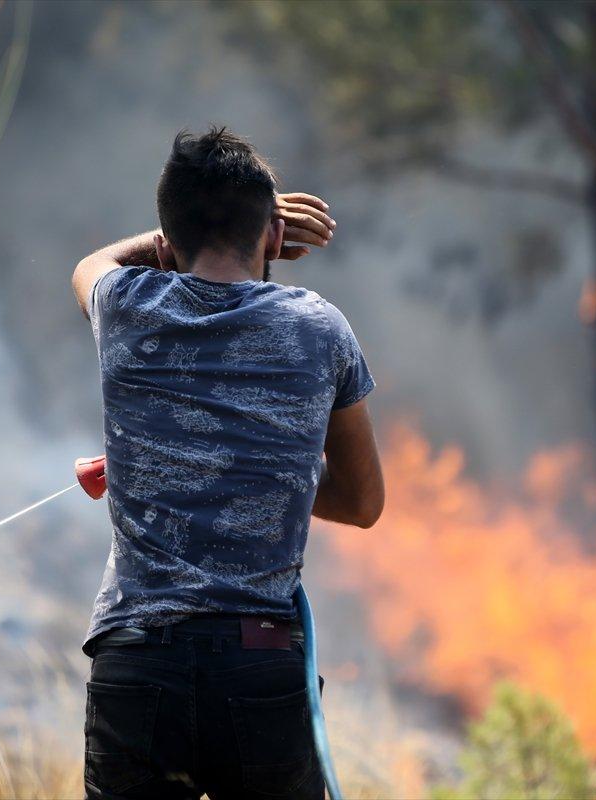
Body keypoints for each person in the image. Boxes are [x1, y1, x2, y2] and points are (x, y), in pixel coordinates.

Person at [70, 126, 384, 799]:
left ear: (164, 241)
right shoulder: (319, 327)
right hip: (259, 672)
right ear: (274, 235)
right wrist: (261, 468)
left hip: (137, 661)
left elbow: (90, 264)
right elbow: (363, 502)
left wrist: (164, 239)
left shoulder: (126, 305)